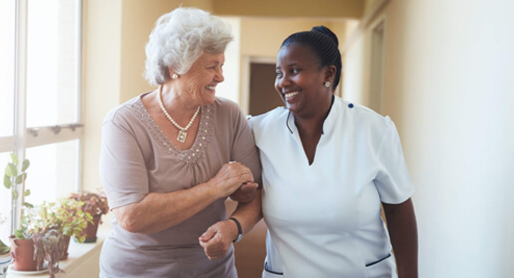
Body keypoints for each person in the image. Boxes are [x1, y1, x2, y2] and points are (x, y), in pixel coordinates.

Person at [204, 25, 418, 277]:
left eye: (294, 71)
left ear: (328, 74)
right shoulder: (258, 130)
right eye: (279, 73)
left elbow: (399, 209)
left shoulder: (373, 130)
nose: (283, 82)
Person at [98, 7, 262, 277]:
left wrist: (234, 226)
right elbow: (132, 216)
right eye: (212, 67)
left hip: (212, 269)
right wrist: (214, 188)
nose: (221, 76)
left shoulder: (229, 115)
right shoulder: (123, 123)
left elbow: (255, 197)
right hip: (137, 269)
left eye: (221, 66)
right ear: (176, 67)